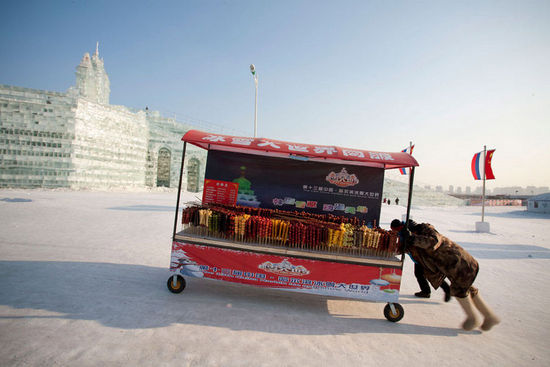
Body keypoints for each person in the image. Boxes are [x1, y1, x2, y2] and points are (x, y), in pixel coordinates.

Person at [390, 219, 501, 331]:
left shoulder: (426, 229)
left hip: (459, 262)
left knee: (459, 290)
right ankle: (490, 317)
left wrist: (413, 238)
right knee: (467, 288)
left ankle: (473, 318)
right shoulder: (411, 241)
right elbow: (406, 250)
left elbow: (433, 242)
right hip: (448, 267)